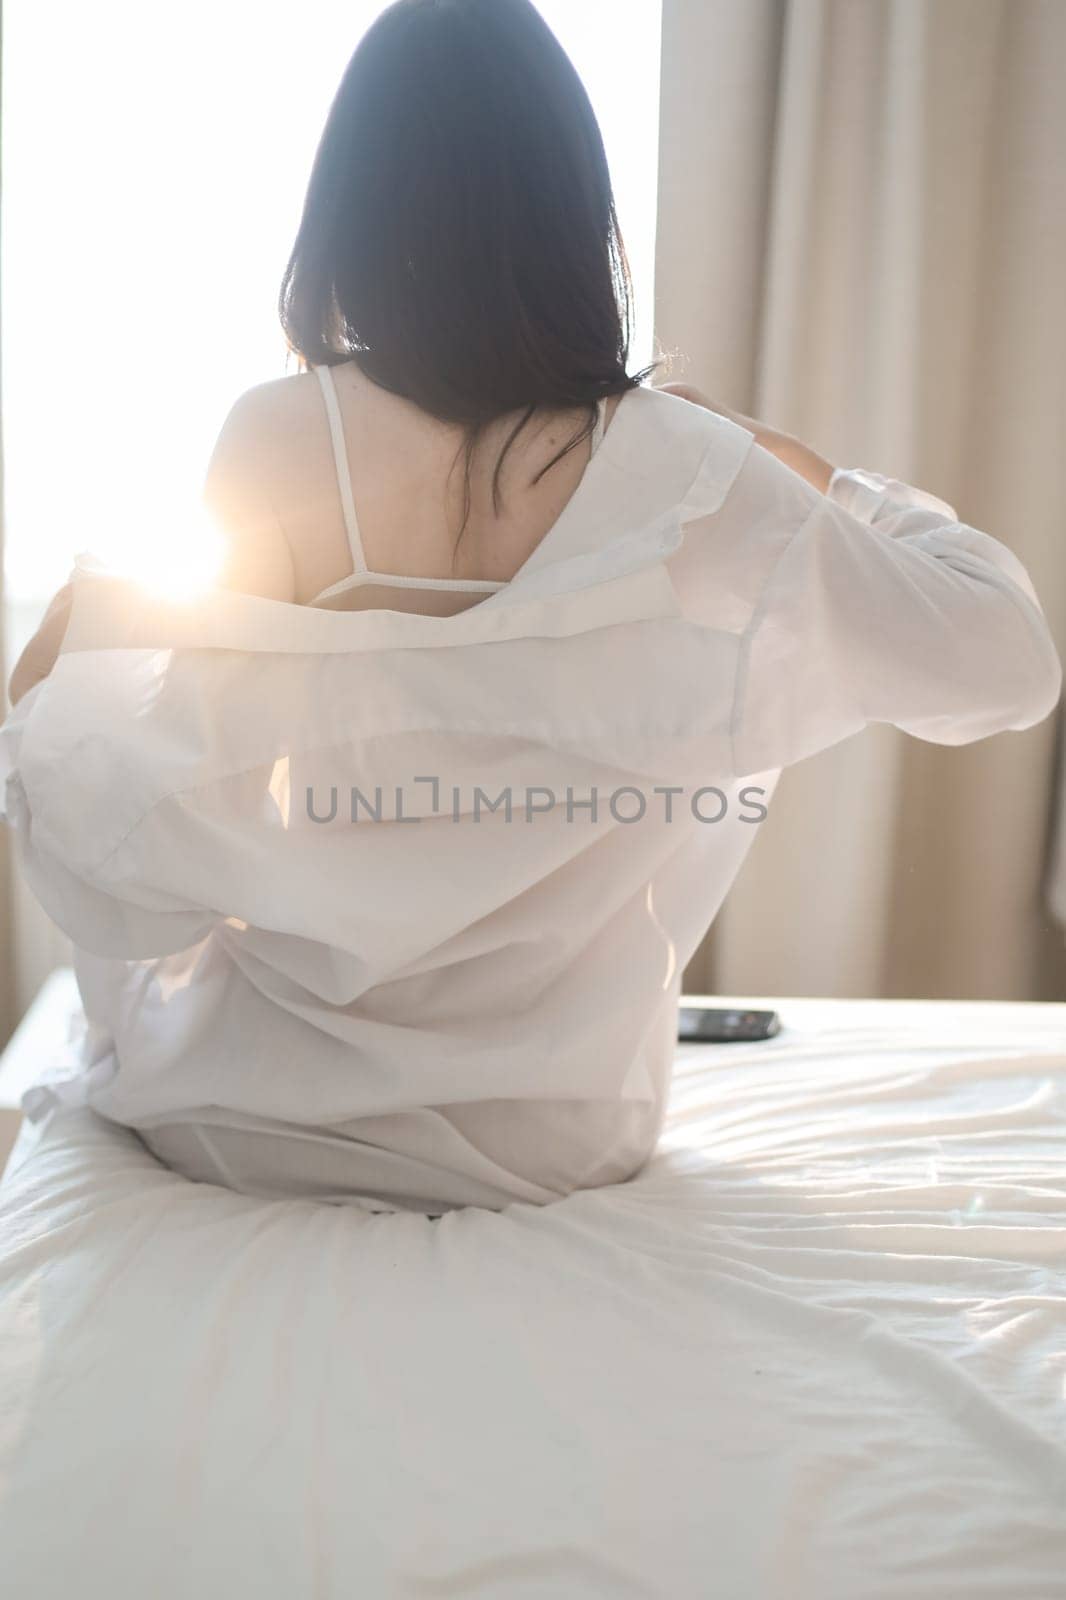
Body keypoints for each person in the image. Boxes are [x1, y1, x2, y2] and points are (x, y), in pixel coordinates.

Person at [2, 0, 1061, 1214]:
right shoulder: (686, 469)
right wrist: (787, 461)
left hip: (256, 1115)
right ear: (575, 214)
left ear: (352, 206)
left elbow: (199, 791)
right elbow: (1006, 658)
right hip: (554, 1141)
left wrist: (93, 652)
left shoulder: (279, 438)